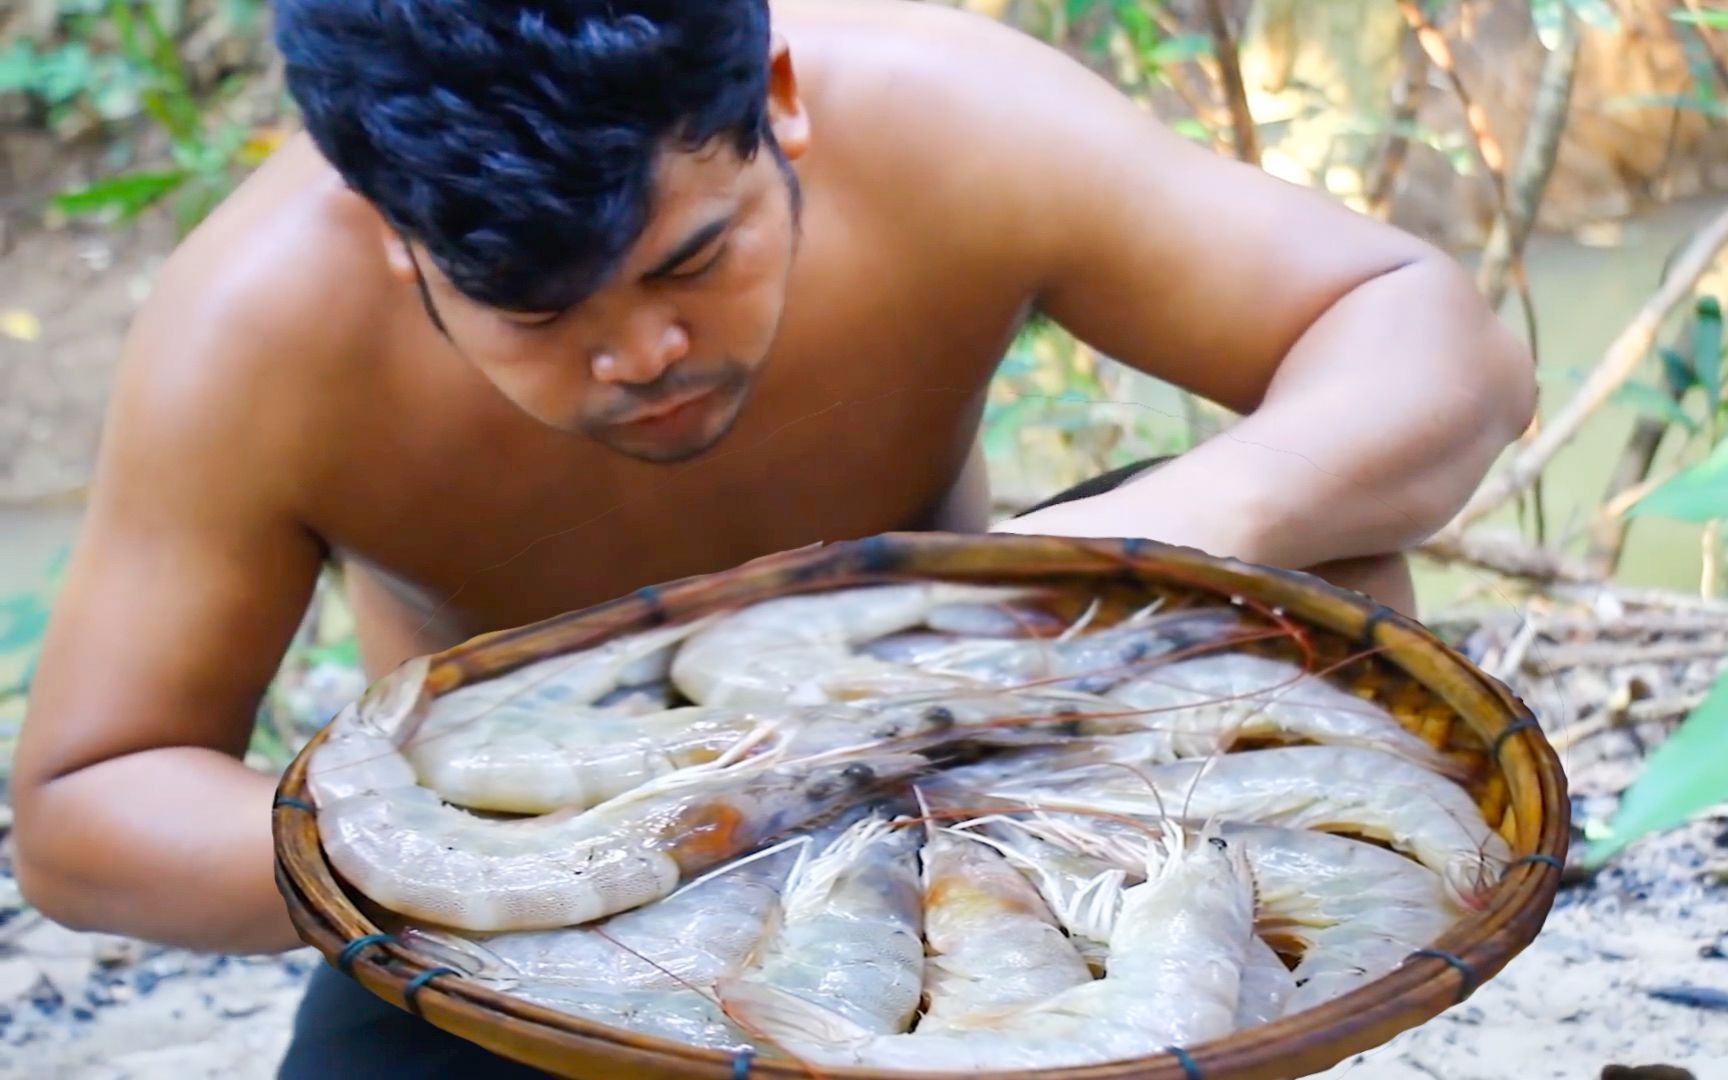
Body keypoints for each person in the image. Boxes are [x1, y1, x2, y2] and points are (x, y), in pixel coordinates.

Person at [11, 0, 1535, 1074]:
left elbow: (1426, 342)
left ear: (780, 102)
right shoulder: (258, 332)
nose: (641, 355)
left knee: (1302, 578)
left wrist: (1124, 548)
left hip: (998, 813)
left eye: (695, 257)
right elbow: (86, 808)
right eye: (538, 317)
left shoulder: (945, 114)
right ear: (395, 236)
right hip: (544, 940)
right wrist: (480, 873)